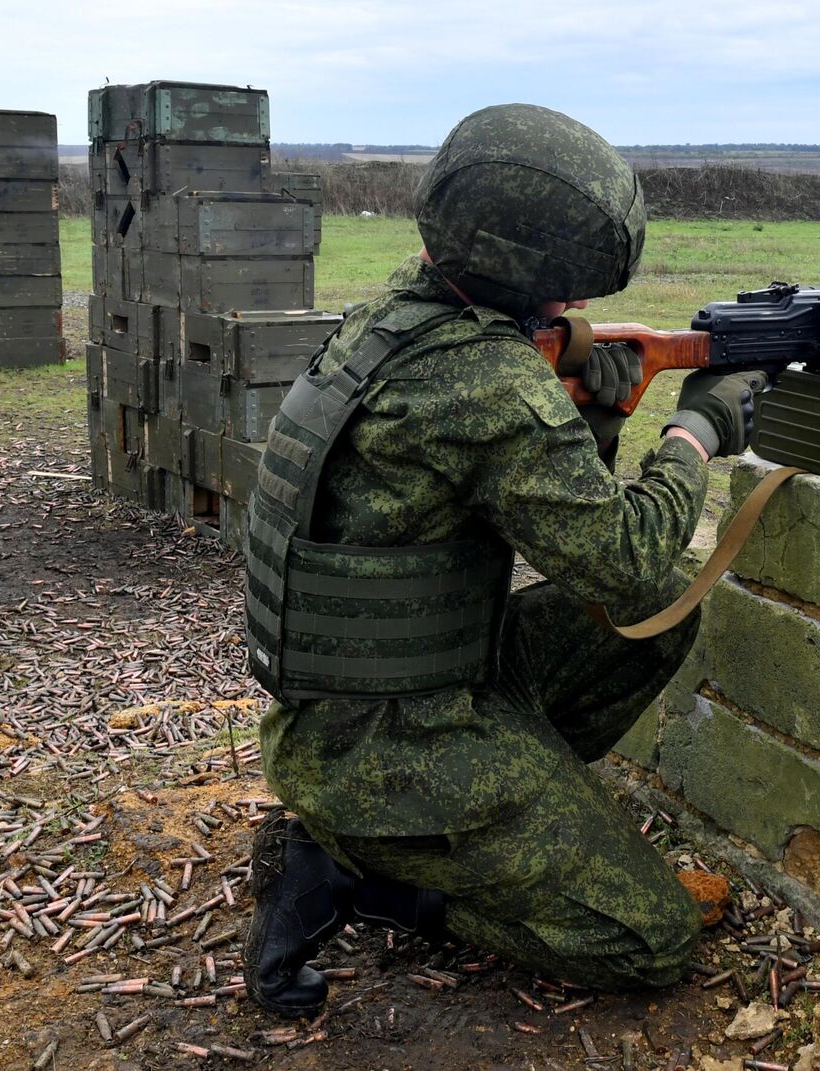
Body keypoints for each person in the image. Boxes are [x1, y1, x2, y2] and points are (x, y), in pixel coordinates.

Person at [240, 103, 765, 1018]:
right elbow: (628, 558)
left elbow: (563, 538)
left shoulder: (396, 320)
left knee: (656, 619)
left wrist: (593, 426)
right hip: (390, 745)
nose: (575, 307)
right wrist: (694, 430)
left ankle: (494, 824)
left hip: (373, 698)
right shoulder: (481, 376)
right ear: (528, 269)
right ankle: (365, 875)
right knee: (649, 939)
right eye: (565, 286)